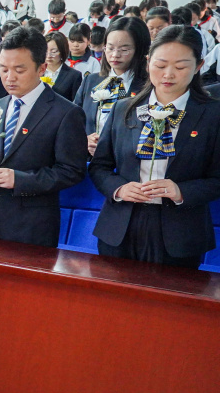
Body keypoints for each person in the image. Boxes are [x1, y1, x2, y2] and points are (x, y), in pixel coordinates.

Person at [89, 24, 220, 268]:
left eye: (180, 67)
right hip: (120, 227)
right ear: (148, 62)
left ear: (199, 66)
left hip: (179, 231)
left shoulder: (213, 115)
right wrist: (119, 189)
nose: (168, 74)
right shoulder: (123, 110)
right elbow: (100, 167)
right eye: (160, 65)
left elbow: (217, 178)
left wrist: (181, 191)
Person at [0, 27, 88, 246]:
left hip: (32, 226)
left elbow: (72, 171)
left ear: (41, 68)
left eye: (19, 70)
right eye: (4, 69)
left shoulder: (65, 113)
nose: (9, 77)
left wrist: (21, 180)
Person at [76, 16, 150, 155]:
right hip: (88, 162)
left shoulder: (148, 86)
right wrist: (84, 139)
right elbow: (74, 121)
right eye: (110, 48)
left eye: (124, 50)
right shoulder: (91, 81)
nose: (115, 55)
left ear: (140, 50)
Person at [43, 31, 84, 102]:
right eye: (45, 51)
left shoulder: (74, 76)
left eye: (53, 51)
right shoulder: (37, 72)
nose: (48, 56)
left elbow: (76, 104)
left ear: (62, 51)